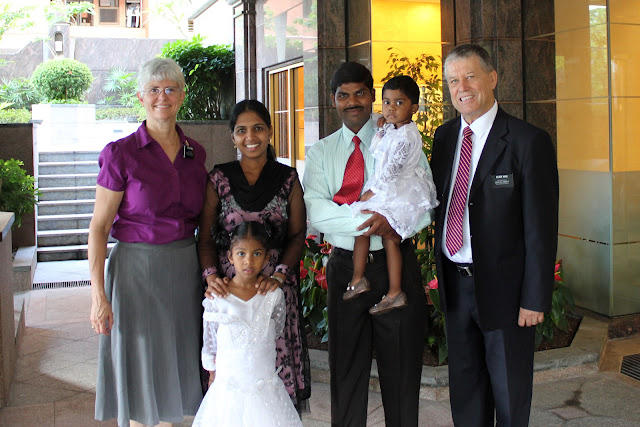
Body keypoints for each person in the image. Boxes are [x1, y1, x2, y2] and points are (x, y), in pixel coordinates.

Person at [430, 44, 559, 426]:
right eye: (454, 80)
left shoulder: (527, 141)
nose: (462, 88)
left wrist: (534, 298)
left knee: (509, 392)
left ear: (492, 78)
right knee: (466, 391)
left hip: (506, 291)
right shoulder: (444, 137)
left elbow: (540, 227)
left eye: (470, 76)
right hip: (456, 285)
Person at [303, 61, 431, 426]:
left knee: (402, 369)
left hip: (395, 266)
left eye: (360, 93)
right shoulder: (321, 152)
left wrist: (391, 223)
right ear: (333, 100)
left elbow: (425, 197)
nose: (352, 102)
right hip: (346, 267)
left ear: (372, 96)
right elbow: (317, 210)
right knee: (346, 368)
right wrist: (372, 221)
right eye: (344, 95)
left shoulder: (401, 138)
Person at [89, 57, 208, 426]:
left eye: (170, 89)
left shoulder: (195, 153)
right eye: (154, 90)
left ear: (182, 96)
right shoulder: (120, 153)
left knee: (177, 359)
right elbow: (99, 227)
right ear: (141, 96)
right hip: (135, 273)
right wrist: (98, 295)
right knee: (141, 362)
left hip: (184, 270)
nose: (162, 97)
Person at [197, 100, 311, 410]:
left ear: (270, 132)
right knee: (231, 384)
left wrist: (279, 277)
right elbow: (205, 237)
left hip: (273, 293)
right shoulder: (219, 178)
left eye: (258, 128)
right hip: (229, 293)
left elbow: (297, 234)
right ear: (233, 136)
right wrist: (212, 278)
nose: (251, 137)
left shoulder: (287, 179)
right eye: (242, 130)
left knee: (273, 383)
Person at [193, 221, 303, 427]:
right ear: (230, 256)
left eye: (257, 254)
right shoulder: (217, 298)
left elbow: (277, 330)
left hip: (264, 387)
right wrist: (212, 372)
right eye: (241, 254)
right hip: (227, 389)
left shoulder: (273, 296)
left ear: (267, 257)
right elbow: (210, 342)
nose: (248, 261)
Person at [345, 75, 439, 315]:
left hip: (398, 190)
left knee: (376, 229)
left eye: (399, 103)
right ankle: (365, 281)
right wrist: (381, 129)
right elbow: (377, 149)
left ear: (414, 108)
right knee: (377, 233)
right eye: (386, 102)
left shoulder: (407, 135)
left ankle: (383, 287)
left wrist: (372, 192)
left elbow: (392, 169)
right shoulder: (394, 129)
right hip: (390, 187)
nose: (391, 108)